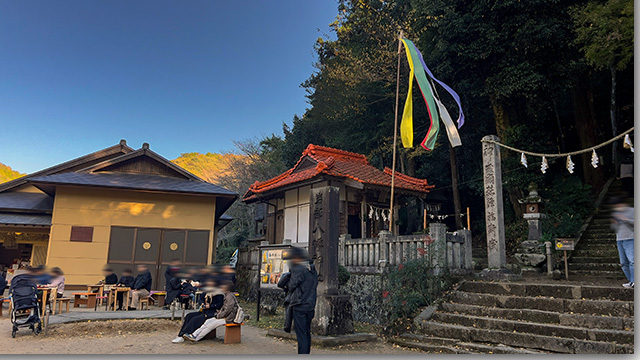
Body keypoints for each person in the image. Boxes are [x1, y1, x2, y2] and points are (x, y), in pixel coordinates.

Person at [286, 246, 318, 354]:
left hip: (299, 304)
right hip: (310, 304)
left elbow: (292, 286)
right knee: (307, 332)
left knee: (301, 334)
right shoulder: (312, 269)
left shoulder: (298, 269)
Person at [610, 197, 635, 288]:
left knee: (632, 261)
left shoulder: (632, 211)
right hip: (619, 240)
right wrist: (614, 222)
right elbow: (613, 228)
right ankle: (631, 281)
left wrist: (625, 220)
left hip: (631, 238)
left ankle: (634, 281)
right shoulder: (616, 214)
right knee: (624, 263)